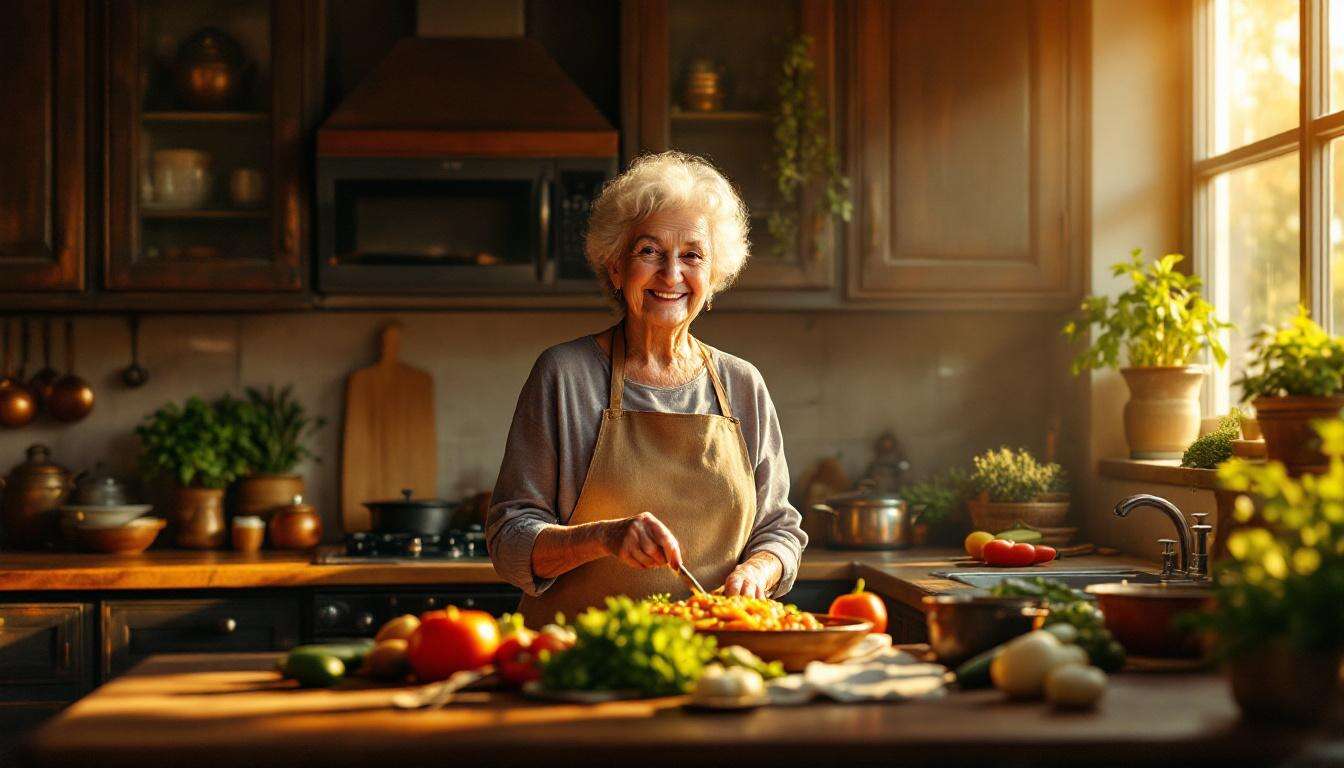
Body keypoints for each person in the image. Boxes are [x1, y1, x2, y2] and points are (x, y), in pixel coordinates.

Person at [486, 151, 807, 626]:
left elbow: (779, 529)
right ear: (616, 268)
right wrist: (603, 539)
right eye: (649, 252)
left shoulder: (742, 384)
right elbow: (509, 541)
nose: (671, 275)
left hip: (717, 655)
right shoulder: (564, 375)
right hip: (579, 657)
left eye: (692, 255)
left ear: (714, 277)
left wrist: (759, 571)